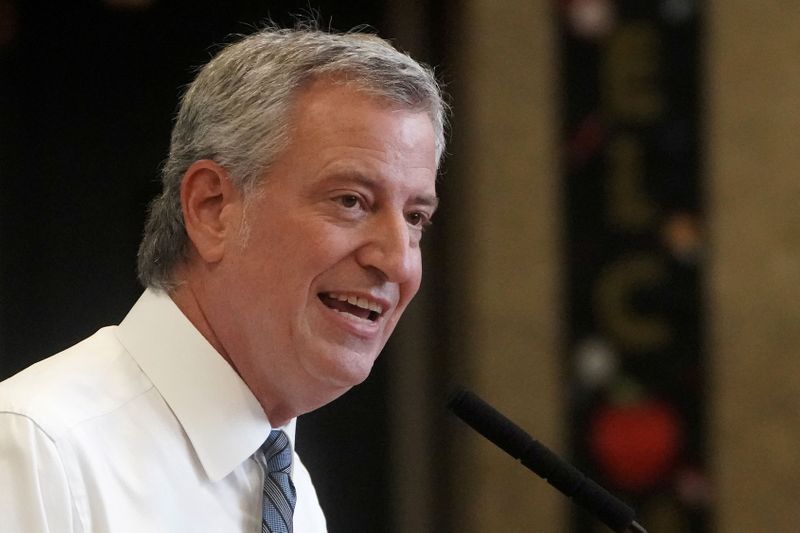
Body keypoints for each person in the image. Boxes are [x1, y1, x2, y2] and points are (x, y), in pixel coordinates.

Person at [0, 23, 446, 532]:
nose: (398, 262)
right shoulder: (38, 451)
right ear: (212, 208)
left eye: (415, 218)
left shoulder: (291, 493)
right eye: (351, 201)